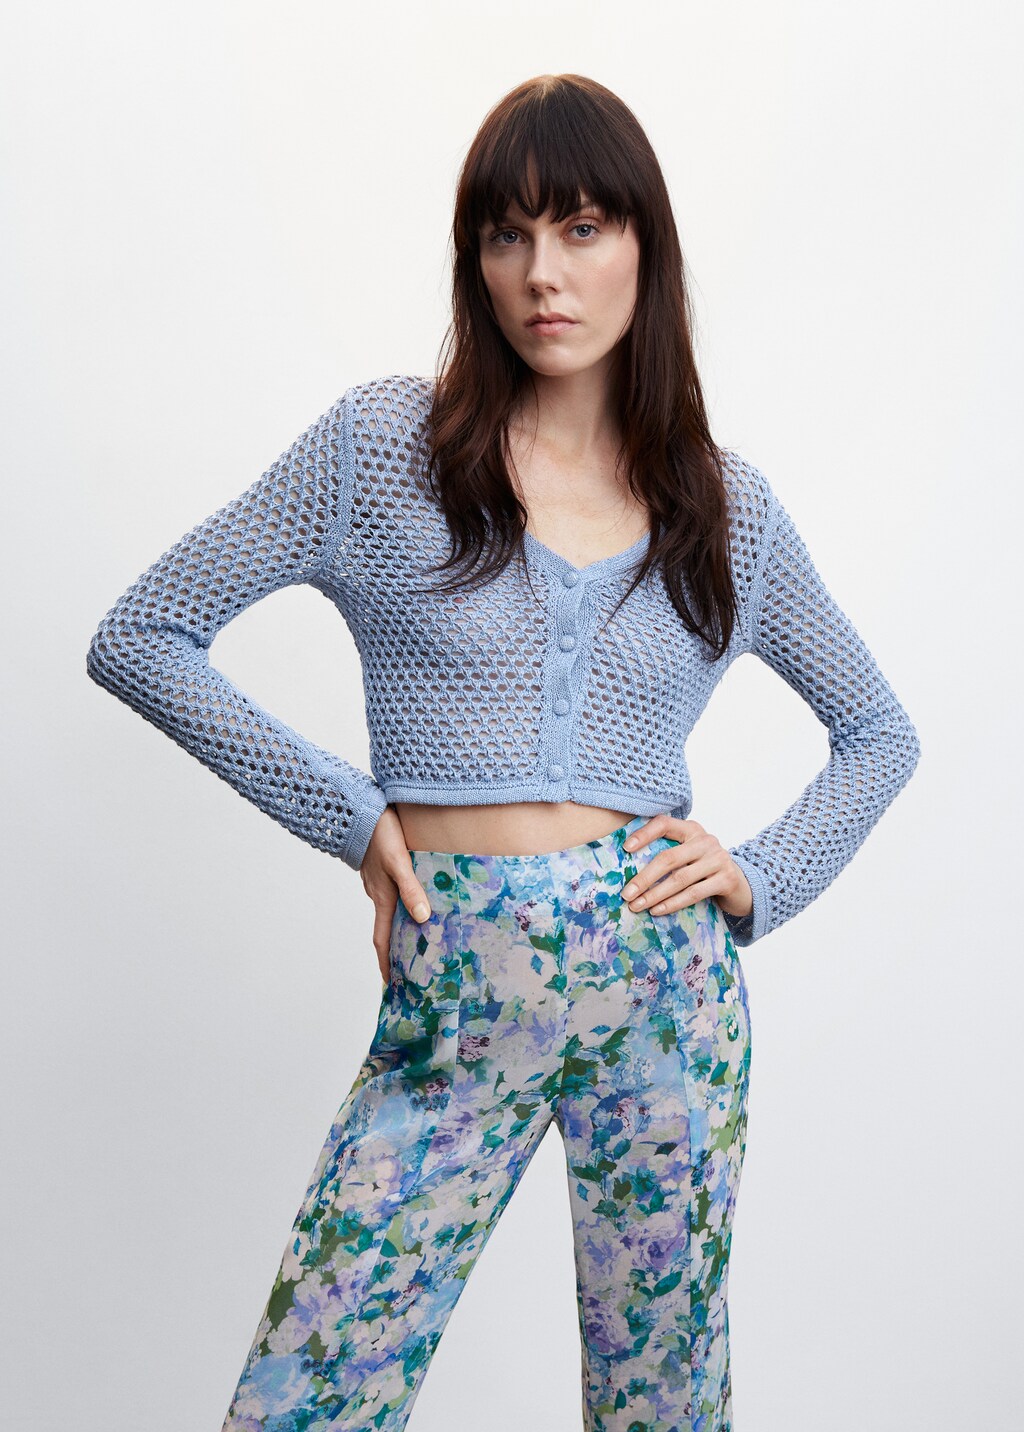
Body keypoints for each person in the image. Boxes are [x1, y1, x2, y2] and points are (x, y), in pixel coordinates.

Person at [85, 72, 921, 1432]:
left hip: (667, 991)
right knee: (308, 1394)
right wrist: (353, 817)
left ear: (646, 247)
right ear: (473, 259)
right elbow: (143, 635)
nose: (544, 273)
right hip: (458, 983)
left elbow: (881, 733)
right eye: (507, 234)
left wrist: (760, 876)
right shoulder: (381, 450)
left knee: (665, 1400)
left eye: (584, 228)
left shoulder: (725, 508)